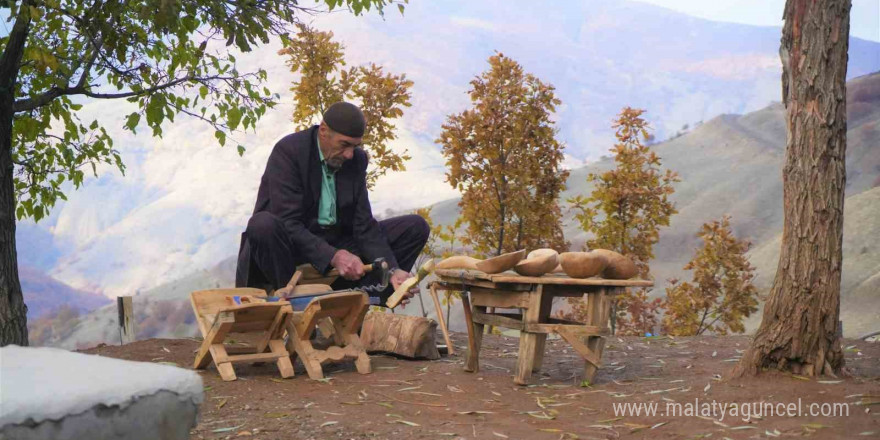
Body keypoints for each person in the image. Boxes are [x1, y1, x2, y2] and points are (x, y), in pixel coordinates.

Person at [235, 102, 429, 305]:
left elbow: (363, 224)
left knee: (415, 227)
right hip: (288, 249)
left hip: (335, 243)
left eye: (355, 146)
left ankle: (367, 297)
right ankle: (297, 305)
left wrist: (391, 270)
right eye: (344, 144)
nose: (349, 154)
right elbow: (287, 222)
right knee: (262, 224)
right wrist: (333, 256)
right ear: (324, 131)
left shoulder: (357, 160)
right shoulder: (289, 152)